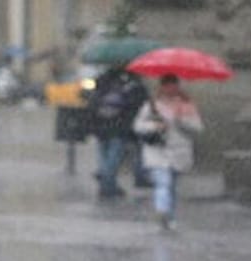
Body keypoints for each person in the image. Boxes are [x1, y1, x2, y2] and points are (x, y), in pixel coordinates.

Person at [132, 74, 204, 230]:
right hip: (157, 150)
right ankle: (162, 211)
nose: (171, 89)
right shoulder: (151, 105)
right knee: (163, 182)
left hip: (179, 151)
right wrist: (155, 126)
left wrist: (181, 121)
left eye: (174, 86)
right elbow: (138, 126)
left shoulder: (186, 105)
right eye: (167, 86)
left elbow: (198, 128)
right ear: (162, 87)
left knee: (171, 186)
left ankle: (170, 217)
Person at [87, 65, 149, 199]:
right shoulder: (131, 85)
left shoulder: (101, 83)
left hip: (100, 126)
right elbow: (136, 106)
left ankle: (108, 182)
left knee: (104, 156)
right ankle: (107, 186)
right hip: (118, 127)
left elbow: (90, 102)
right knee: (113, 158)